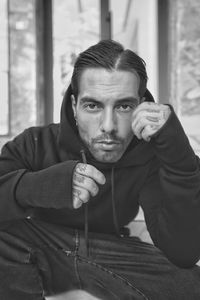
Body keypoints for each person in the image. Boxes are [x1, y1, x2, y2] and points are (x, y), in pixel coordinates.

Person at [0, 39, 200, 300]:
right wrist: (45, 185)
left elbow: (183, 251)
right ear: (74, 107)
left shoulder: (149, 156)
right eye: (93, 105)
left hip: (114, 252)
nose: (108, 126)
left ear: (141, 105)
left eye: (124, 106)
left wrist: (179, 157)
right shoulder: (35, 143)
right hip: (42, 249)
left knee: (193, 285)